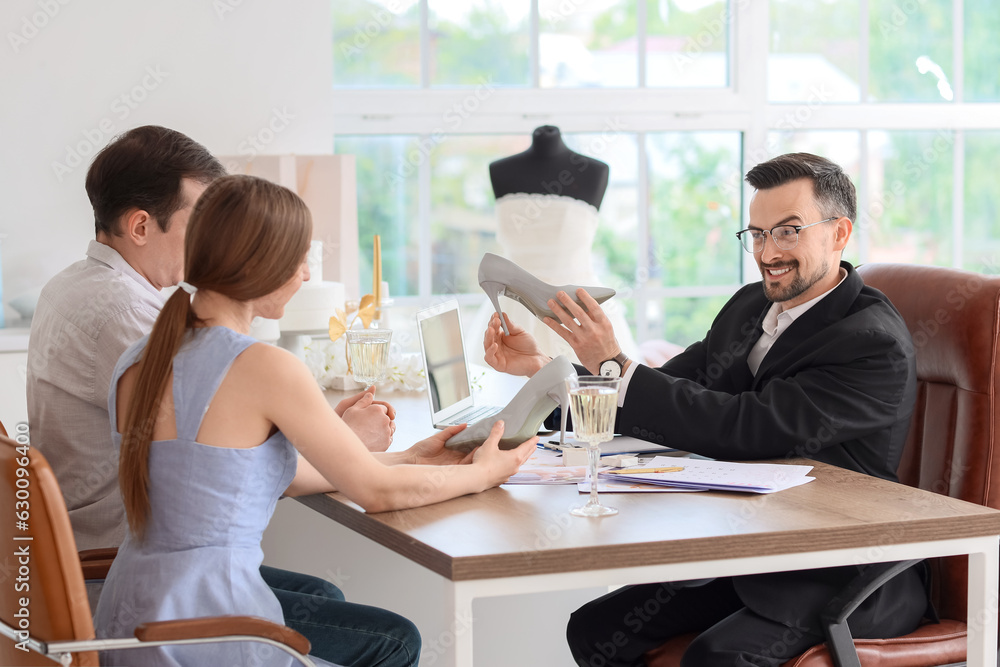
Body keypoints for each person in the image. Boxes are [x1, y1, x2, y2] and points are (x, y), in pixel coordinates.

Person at [482, 152, 932, 666]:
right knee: (596, 628)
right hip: (752, 551)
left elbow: (746, 426)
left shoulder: (871, 342)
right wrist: (544, 368)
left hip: (840, 571)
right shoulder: (749, 306)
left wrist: (613, 363)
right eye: (757, 234)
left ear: (839, 233)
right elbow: (656, 395)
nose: (768, 252)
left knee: (717, 657)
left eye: (788, 231)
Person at [93, 174, 537, 667]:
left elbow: (247, 478)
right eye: (298, 259)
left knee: (325, 596)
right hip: (206, 629)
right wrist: (484, 474)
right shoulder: (262, 366)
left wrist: (409, 456)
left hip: (129, 615)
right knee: (395, 640)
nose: (305, 274)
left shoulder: (140, 357)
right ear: (259, 264)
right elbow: (378, 495)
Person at [26, 126, 417, 666]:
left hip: (114, 565)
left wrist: (345, 441)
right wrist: (345, 441)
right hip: (133, 583)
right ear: (141, 225)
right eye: (202, 220)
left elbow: (218, 444)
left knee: (325, 597)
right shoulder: (129, 316)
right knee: (389, 639)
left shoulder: (73, 287)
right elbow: (219, 458)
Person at [469, 125, 637, 366]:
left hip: (576, 307)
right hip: (511, 305)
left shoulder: (595, 171)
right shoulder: (499, 170)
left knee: (596, 393)